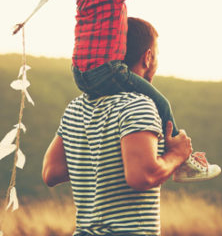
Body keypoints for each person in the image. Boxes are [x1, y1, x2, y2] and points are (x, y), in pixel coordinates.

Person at [71, 0, 220, 181]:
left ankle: (146, 147)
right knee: (161, 103)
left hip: (79, 74)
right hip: (106, 70)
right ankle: (182, 160)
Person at [42, 17, 193, 236]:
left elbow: (51, 172)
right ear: (148, 57)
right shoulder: (138, 104)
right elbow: (142, 177)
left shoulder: (76, 107)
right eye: (157, 54)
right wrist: (177, 156)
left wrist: (102, 162)